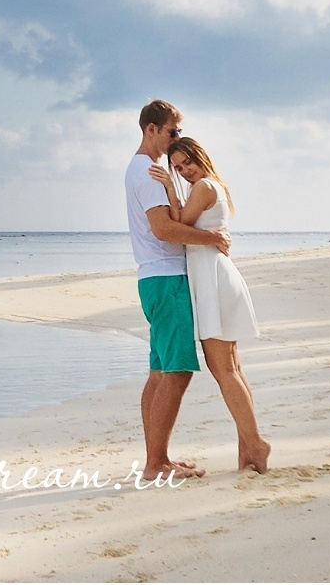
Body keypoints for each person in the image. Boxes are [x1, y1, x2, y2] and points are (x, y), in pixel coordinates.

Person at [124, 100, 232, 480]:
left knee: (159, 371)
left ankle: (158, 457)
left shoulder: (142, 170)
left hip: (154, 278)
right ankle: (156, 463)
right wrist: (210, 237)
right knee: (178, 370)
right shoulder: (148, 171)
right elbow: (164, 229)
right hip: (167, 278)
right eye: (173, 132)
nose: (176, 139)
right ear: (152, 129)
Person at [153, 136, 272, 472]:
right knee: (231, 369)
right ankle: (249, 449)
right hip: (214, 278)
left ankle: (257, 445)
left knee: (223, 370)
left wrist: (170, 191)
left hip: (213, 281)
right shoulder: (211, 186)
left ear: (200, 156)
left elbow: (178, 225)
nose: (184, 170)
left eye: (187, 162)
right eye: (177, 168)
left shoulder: (204, 187)